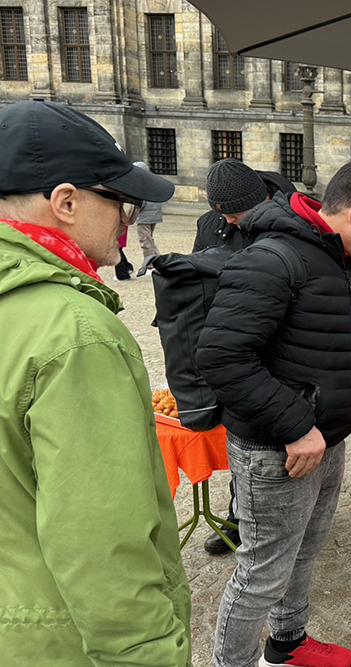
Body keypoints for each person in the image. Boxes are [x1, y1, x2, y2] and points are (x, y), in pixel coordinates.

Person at [196, 159, 351, 667]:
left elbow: (340, 346)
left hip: (321, 440)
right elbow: (220, 358)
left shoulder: (333, 256)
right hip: (278, 451)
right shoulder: (273, 259)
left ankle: (286, 645)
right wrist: (296, 426)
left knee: (304, 552)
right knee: (262, 572)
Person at [0, 100, 191, 665]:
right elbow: (100, 539)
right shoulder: (76, 332)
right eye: (122, 203)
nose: (127, 221)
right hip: (58, 638)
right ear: (66, 202)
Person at [194, 159, 284, 555]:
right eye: (222, 215)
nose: (229, 223)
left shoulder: (291, 215)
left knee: (281, 440)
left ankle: (288, 519)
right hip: (234, 346)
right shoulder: (210, 224)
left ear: (260, 199)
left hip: (280, 345)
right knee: (243, 438)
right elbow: (198, 279)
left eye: (235, 214)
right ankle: (239, 516)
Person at [193, 164, 297, 253]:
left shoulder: (295, 223)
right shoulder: (206, 224)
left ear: (257, 202)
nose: (229, 220)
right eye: (223, 214)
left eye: (235, 214)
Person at [133, 160, 165, 276]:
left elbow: (140, 202)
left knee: (145, 241)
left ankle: (150, 265)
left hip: (145, 216)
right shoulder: (152, 181)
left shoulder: (141, 184)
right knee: (150, 239)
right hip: (153, 215)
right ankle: (158, 261)